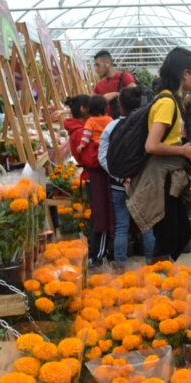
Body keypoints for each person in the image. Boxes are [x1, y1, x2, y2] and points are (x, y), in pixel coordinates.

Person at [127, 47, 191, 260]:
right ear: (185, 73)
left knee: (179, 235)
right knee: (169, 239)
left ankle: (161, 279)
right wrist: (182, 149)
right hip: (163, 181)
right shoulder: (166, 102)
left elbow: (171, 138)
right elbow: (151, 145)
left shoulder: (172, 99)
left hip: (171, 178)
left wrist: (190, 156)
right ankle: (158, 282)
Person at [99, 87, 156, 266]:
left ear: (120, 105)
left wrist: (120, 177)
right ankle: (154, 267)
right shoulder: (148, 127)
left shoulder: (111, 126)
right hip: (142, 185)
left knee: (121, 227)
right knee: (147, 227)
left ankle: (120, 268)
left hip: (118, 185)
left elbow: (103, 157)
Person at [76, 95, 114, 266]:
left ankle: (97, 253)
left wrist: (82, 145)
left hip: (94, 172)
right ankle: (103, 251)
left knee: (97, 211)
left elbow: (85, 137)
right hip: (106, 167)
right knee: (107, 210)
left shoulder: (89, 122)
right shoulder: (110, 120)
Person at [92, 50, 137, 118]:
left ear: (107, 63)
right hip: (106, 125)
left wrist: (116, 94)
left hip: (125, 122)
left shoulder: (124, 77)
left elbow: (135, 94)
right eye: (95, 66)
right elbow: (92, 104)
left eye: (98, 65)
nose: (96, 69)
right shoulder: (99, 85)